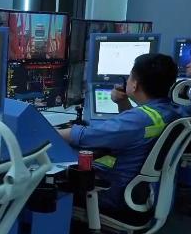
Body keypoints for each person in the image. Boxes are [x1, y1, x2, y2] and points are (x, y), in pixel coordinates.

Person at [56, 53, 181, 212]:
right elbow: (134, 132)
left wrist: (45, 131)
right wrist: (122, 101)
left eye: (129, 77)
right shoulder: (168, 111)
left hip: (112, 193)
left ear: (134, 85)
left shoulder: (137, 120)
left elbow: (84, 136)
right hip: (140, 190)